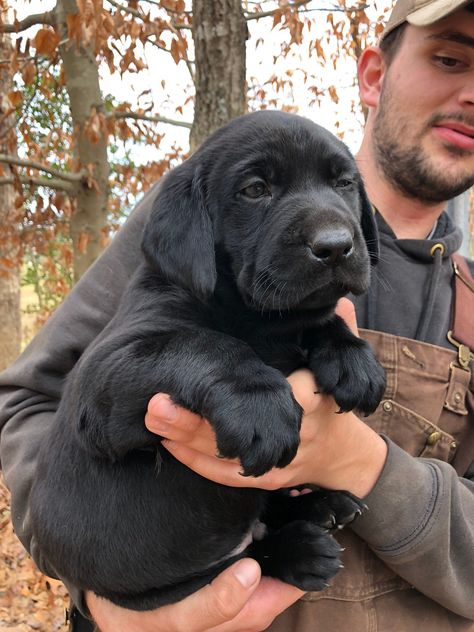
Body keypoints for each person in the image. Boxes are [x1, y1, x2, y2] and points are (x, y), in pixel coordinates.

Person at [1, 0, 474, 630]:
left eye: (339, 189)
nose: (472, 93)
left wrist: (358, 462)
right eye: (449, 58)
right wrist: (107, 603)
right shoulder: (193, 222)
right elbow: (39, 402)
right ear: (374, 73)